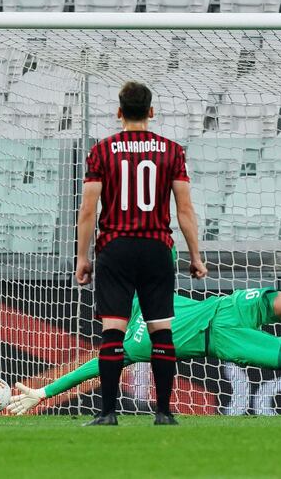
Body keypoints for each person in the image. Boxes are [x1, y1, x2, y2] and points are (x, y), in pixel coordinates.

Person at [8, 272, 281, 415]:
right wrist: (43, 392)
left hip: (229, 307)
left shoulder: (141, 293)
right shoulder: (131, 344)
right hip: (224, 340)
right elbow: (91, 368)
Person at [75, 81, 206, 426]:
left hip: (115, 248)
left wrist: (82, 257)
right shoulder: (172, 151)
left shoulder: (101, 151)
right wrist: (196, 255)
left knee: (113, 331)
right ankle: (163, 412)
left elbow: (88, 210)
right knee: (161, 330)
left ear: (119, 112)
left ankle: (107, 414)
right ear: (151, 111)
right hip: (156, 247)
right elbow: (185, 209)